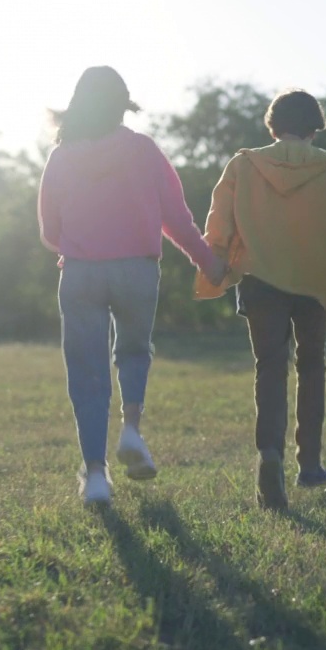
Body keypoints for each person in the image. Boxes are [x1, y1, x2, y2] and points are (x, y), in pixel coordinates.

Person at [197, 89, 326, 511]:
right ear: (315, 128)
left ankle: (268, 456)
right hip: (315, 283)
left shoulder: (243, 164)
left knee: (269, 367)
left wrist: (215, 264)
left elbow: (219, 223)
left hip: (258, 281)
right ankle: (309, 463)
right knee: (311, 365)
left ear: (271, 126)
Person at [39, 66, 226, 505]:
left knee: (87, 372)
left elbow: (50, 230)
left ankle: (97, 476)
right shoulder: (143, 150)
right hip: (137, 270)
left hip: (81, 272)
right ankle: (131, 431)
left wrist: (77, 242)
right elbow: (176, 219)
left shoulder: (61, 156)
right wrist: (209, 262)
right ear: (122, 105)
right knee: (134, 352)